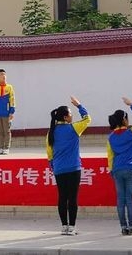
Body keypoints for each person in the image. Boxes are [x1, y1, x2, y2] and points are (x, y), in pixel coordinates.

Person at [46, 96, 91, 236]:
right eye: (70, 114)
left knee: (62, 197)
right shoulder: (74, 128)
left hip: (59, 169)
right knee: (72, 198)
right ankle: (72, 227)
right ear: (65, 117)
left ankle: (64, 226)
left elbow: (49, 153)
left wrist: (54, 167)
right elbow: (87, 119)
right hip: (73, 168)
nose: (72, 116)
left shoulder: (51, 132)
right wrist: (79, 106)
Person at [107, 97, 132, 236]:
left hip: (117, 169)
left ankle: (123, 227)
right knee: (130, 199)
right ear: (124, 120)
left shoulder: (111, 137)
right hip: (130, 169)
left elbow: (110, 155)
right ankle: (131, 226)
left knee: (120, 199)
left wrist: (111, 170)